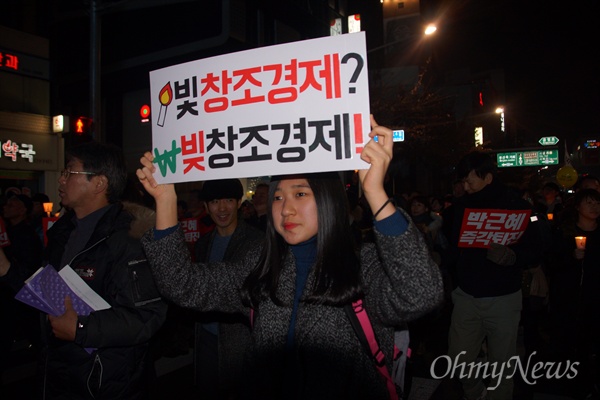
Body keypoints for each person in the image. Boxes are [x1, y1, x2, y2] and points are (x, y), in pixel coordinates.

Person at [136, 116, 444, 399]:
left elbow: (420, 292)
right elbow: (180, 282)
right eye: (278, 197)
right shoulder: (261, 265)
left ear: (327, 200)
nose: (286, 209)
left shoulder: (362, 265)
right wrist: (165, 200)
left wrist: (374, 191)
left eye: (300, 194)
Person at [0, 141, 167, 399]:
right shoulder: (61, 231)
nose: (61, 180)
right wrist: (5, 268)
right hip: (57, 374)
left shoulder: (128, 238)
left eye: (70, 172)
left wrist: (80, 328)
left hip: (104, 381)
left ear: (99, 183)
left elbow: (145, 318)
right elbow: (45, 291)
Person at [446, 151, 543, 400]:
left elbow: (538, 243)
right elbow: (452, 247)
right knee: (460, 358)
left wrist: (514, 256)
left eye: (470, 181)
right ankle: (475, 393)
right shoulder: (460, 206)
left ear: (488, 178)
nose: (465, 187)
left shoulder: (518, 205)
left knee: (502, 364)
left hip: (503, 297)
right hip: (466, 296)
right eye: (463, 182)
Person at [193, 178, 265, 399]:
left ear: (239, 203)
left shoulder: (257, 242)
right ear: (206, 206)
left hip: (241, 342)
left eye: (228, 200)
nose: (222, 208)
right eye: (214, 201)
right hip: (205, 337)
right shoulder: (203, 243)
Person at [546, 188, 600, 399]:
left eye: (597, 203)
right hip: (571, 302)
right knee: (573, 345)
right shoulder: (565, 233)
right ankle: (576, 385)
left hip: (595, 299)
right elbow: (552, 263)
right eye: (589, 203)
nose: (595, 207)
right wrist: (571, 257)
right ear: (577, 207)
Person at [0, 194, 44, 384]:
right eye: (6, 203)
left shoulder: (27, 235)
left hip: (16, 297)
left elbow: (28, 270)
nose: (7, 206)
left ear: (23, 210)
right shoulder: (7, 231)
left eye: (13, 204)